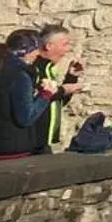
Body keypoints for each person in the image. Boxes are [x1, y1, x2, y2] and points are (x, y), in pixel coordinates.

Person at [0, 29, 58, 161]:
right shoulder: (19, 77)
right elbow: (25, 117)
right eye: (35, 49)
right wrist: (46, 95)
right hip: (13, 149)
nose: (37, 54)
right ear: (25, 51)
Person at [33, 24, 80, 152]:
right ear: (49, 46)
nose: (67, 49)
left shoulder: (49, 69)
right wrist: (64, 89)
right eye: (65, 44)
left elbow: (55, 103)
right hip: (31, 143)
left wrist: (71, 78)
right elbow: (35, 100)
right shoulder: (35, 69)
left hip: (44, 143)